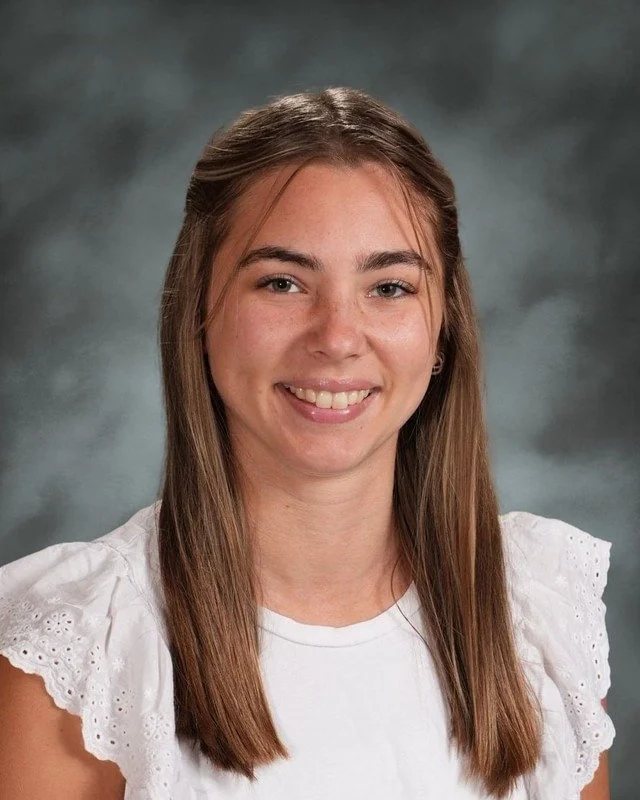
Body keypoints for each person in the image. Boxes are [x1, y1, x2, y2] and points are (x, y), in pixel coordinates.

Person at [0, 87, 614, 800]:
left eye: (389, 287)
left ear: (443, 328)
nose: (337, 339)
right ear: (199, 309)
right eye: (284, 282)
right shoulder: (80, 654)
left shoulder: (537, 616)